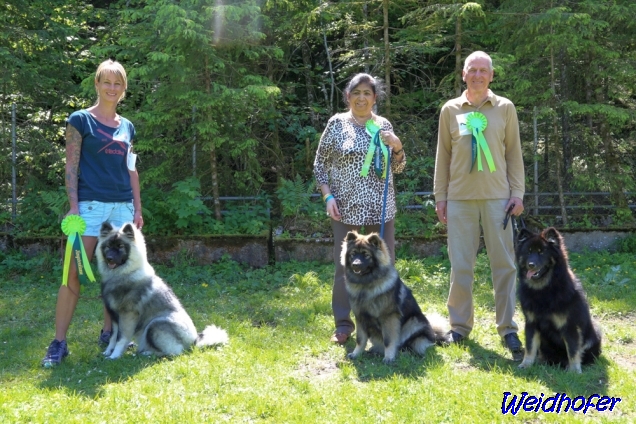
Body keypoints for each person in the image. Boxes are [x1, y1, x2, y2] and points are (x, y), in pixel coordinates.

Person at [42, 59, 143, 366]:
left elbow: (132, 170)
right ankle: (58, 343)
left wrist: (137, 208)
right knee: (72, 273)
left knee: (116, 274)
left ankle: (109, 333)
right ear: (97, 84)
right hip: (89, 208)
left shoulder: (127, 127)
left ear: (123, 89)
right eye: (107, 82)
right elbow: (71, 166)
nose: (112, 88)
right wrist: (74, 207)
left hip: (122, 208)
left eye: (118, 84)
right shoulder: (80, 120)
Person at [434, 51, 525, 358]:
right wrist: (440, 197)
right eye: (472, 70)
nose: (477, 75)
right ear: (463, 75)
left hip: (499, 199)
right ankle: (459, 327)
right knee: (461, 267)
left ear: (491, 75)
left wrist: (518, 194)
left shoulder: (505, 108)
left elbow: (514, 154)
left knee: (505, 266)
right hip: (459, 199)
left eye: (482, 71)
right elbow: (442, 158)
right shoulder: (450, 110)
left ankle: (508, 329)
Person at [313, 73, 406, 344]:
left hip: (381, 209)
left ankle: (384, 321)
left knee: (383, 266)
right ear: (348, 97)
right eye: (357, 93)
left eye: (367, 93)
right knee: (345, 267)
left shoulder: (384, 125)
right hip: (345, 209)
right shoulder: (336, 124)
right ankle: (344, 324)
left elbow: (398, 168)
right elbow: (320, 165)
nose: (362, 98)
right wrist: (327, 197)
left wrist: (398, 146)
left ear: (375, 98)